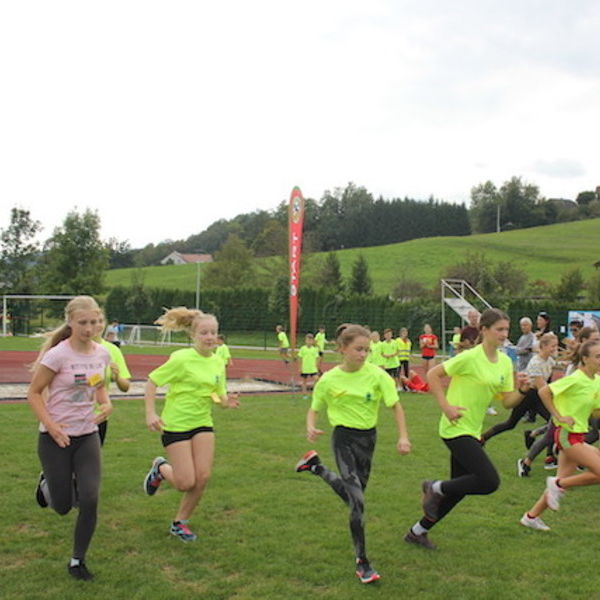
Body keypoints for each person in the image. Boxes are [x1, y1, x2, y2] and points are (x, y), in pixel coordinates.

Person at [295, 324, 411, 584]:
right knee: (357, 501)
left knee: (354, 497)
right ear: (342, 349)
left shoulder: (377, 375)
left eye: (367, 350)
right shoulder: (329, 379)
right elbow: (314, 408)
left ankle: (316, 467)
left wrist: (403, 436)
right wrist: (311, 426)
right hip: (343, 440)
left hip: (368, 440)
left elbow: (395, 406)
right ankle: (362, 562)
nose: (363, 354)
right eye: (358, 349)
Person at [404, 308, 528, 550]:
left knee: (458, 489)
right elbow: (433, 374)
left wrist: (522, 390)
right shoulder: (470, 357)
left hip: (473, 429)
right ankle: (433, 487)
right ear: (484, 330)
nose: (504, 334)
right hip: (455, 427)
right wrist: (446, 407)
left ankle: (417, 532)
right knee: (489, 481)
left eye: (506, 329)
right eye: (499, 329)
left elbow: (507, 402)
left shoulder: (505, 362)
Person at [28, 296, 111, 581]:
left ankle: (77, 560)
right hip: (55, 439)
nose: (89, 328)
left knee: (90, 498)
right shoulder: (58, 355)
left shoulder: (102, 354)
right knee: (62, 507)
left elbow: (98, 386)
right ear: (70, 322)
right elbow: (34, 393)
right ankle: (46, 483)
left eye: (94, 322)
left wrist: (106, 403)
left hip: (87, 435)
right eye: (83, 322)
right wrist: (52, 426)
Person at [142, 307, 240, 542]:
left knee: (203, 477)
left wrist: (226, 402)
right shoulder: (181, 358)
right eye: (204, 333)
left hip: (202, 423)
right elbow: (152, 382)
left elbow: (217, 395)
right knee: (185, 483)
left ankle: (180, 523)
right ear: (193, 335)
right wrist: (150, 413)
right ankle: (160, 468)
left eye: (213, 333)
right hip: (176, 424)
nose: (209, 337)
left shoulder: (218, 362)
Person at [520, 340, 600, 531]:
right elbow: (544, 392)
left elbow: (596, 413)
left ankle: (531, 517)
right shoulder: (576, 378)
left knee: (562, 480)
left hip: (578, 435)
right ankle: (558, 484)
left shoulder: (596, 381)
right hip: (565, 435)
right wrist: (558, 416)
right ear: (585, 359)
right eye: (598, 356)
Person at [481, 333, 557, 447]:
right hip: (528, 395)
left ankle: (536, 439)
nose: (555, 349)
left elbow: (558, 366)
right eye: (553, 346)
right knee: (510, 424)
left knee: (554, 421)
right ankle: (483, 438)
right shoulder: (536, 362)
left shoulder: (549, 360)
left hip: (538, 396)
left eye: (556, 346)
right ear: (543, 346)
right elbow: (541, 386)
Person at [97, 313, 131, 445]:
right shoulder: (67, 348)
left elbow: (125, 387)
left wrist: (117, 377)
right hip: (68, 416)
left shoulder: (112, 350)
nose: (97, 325)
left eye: (100, 321)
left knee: (91, 458)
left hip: (98, 416)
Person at [297, 333, 320, 398]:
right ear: (305, 341)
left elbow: (317, 358)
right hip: (305, 368)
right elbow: (300, 358)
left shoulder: (314, 349)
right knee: (304, 381)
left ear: (312, 341)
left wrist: (316, 366)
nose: (309, 342)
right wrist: (300, 367)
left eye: (310, 340)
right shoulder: (303, 348)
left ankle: (314, 392)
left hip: (312, 368)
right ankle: (304, 394)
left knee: (317, 379)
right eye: (308, 340)